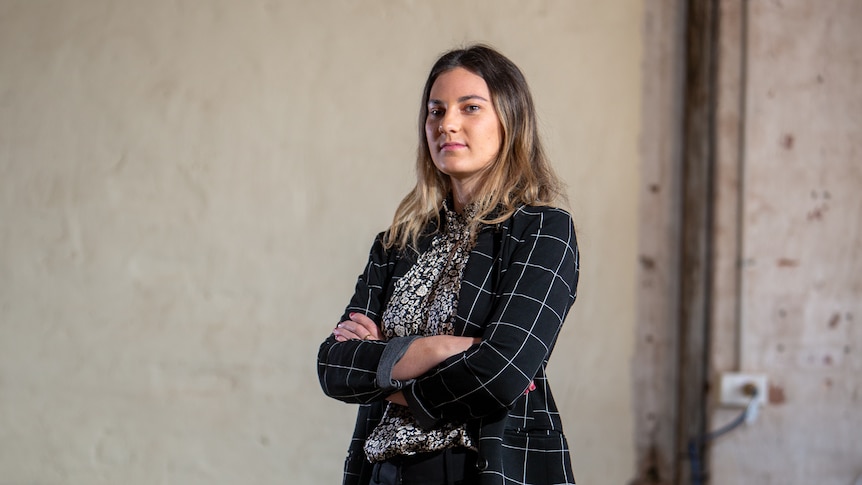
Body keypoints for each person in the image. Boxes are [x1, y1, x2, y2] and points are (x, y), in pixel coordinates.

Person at [317, 44, 580, 485]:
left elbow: (501, 374)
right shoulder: (397, 242)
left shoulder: (543, 231)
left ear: (509, 121)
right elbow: (335, 365)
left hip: (479, 470)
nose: (447, 124)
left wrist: (392, 378)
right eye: (436, 111)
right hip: (381, 471)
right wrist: (438, 348)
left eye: (470, 108)